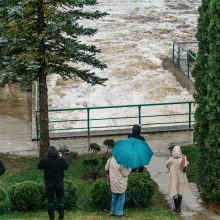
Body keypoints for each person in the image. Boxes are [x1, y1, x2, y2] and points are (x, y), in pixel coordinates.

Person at [38, 146, 69, 220]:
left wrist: (45, 158)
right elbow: (66, 166)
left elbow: (39, 166)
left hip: (49, 183)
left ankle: (51, 218)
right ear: (57, 152)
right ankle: (61, 217)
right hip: (59, 183)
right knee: (60, 200)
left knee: (50, 201)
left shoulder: (45, 160)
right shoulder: (60, 160)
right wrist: (62, 157)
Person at [166, 145, 189, 213]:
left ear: (173, 151)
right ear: (180, 151)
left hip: (173, 179)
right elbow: (186, 165)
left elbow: (167, 165)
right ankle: (179, 207)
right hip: (181, 178)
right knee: (180, 192)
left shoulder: (171, 159)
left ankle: (176, 208)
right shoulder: (183, 158)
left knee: (174, 192)